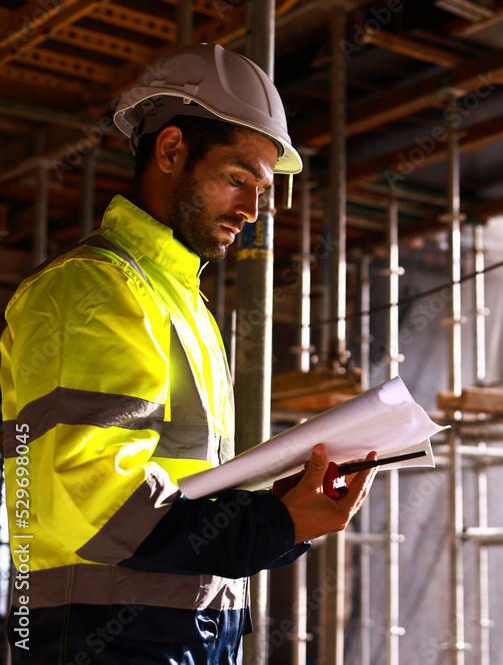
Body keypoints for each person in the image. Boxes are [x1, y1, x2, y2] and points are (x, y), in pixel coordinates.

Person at [0, 43, 376, 664]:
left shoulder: (182, 304)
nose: (252, 212)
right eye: (237, 179)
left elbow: (181, 494)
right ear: (171, 150)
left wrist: (284, 511)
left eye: (261, 190)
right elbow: (90, 499)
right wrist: (272, 525)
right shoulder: (94, 289)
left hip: (181, 639)